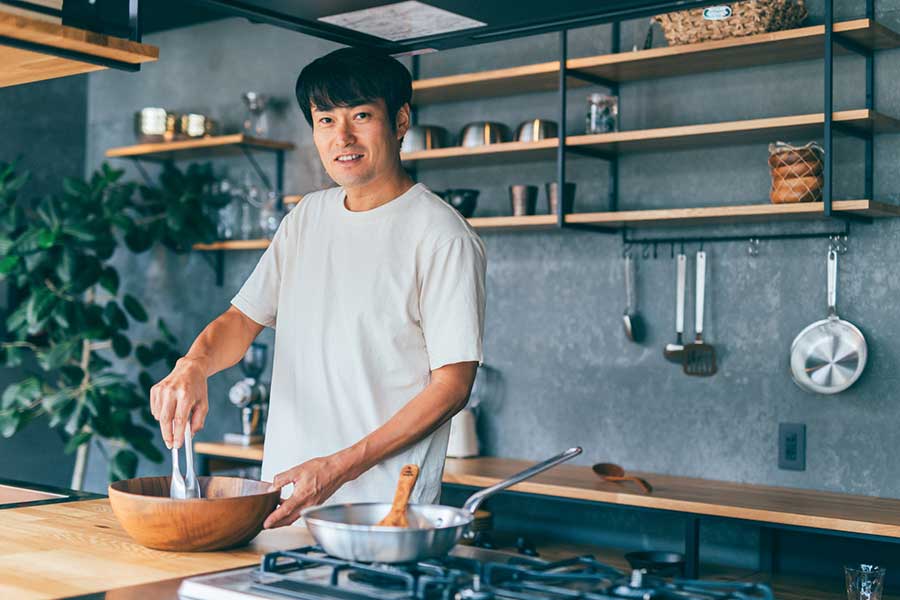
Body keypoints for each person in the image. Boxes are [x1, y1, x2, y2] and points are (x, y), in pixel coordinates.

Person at [149, 47, 486, 529]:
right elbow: (242, 321)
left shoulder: (443, 236)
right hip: (284, 504)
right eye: (325, 120)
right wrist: (194, 364)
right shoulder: (307, 217)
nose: (342, 137)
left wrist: (336, 469)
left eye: (361, 116)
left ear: (400, 120)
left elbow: (452, 386)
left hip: (380, 518)